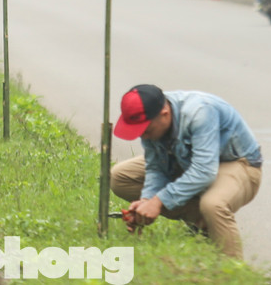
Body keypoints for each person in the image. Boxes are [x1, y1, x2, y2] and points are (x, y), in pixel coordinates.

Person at [110, 84, 262, 260]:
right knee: (120, 177)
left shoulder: (199, 112)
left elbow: (204, 170)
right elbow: (156, 167)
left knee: (213, 204)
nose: (143, 137)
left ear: (164, 113)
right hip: (189, 161)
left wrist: (159, 201)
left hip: (237, 163)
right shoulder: (152, 116)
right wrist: (147, 200)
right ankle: (202, 223)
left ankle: (232, 270)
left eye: (147, 130)